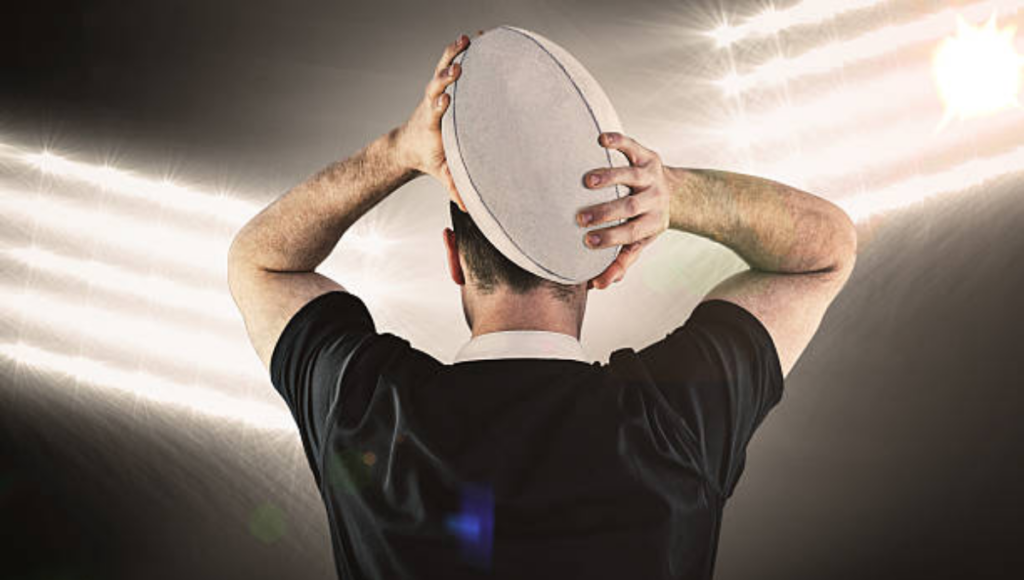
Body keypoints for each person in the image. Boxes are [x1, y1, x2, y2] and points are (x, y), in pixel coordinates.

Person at [227, 32, 857, 580]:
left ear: (453, 258)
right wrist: (670, 195)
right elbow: (826, 250)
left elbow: (260, 261)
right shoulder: (675, 421)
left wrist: (398, 150)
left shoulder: (367, 414)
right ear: (599, 268)